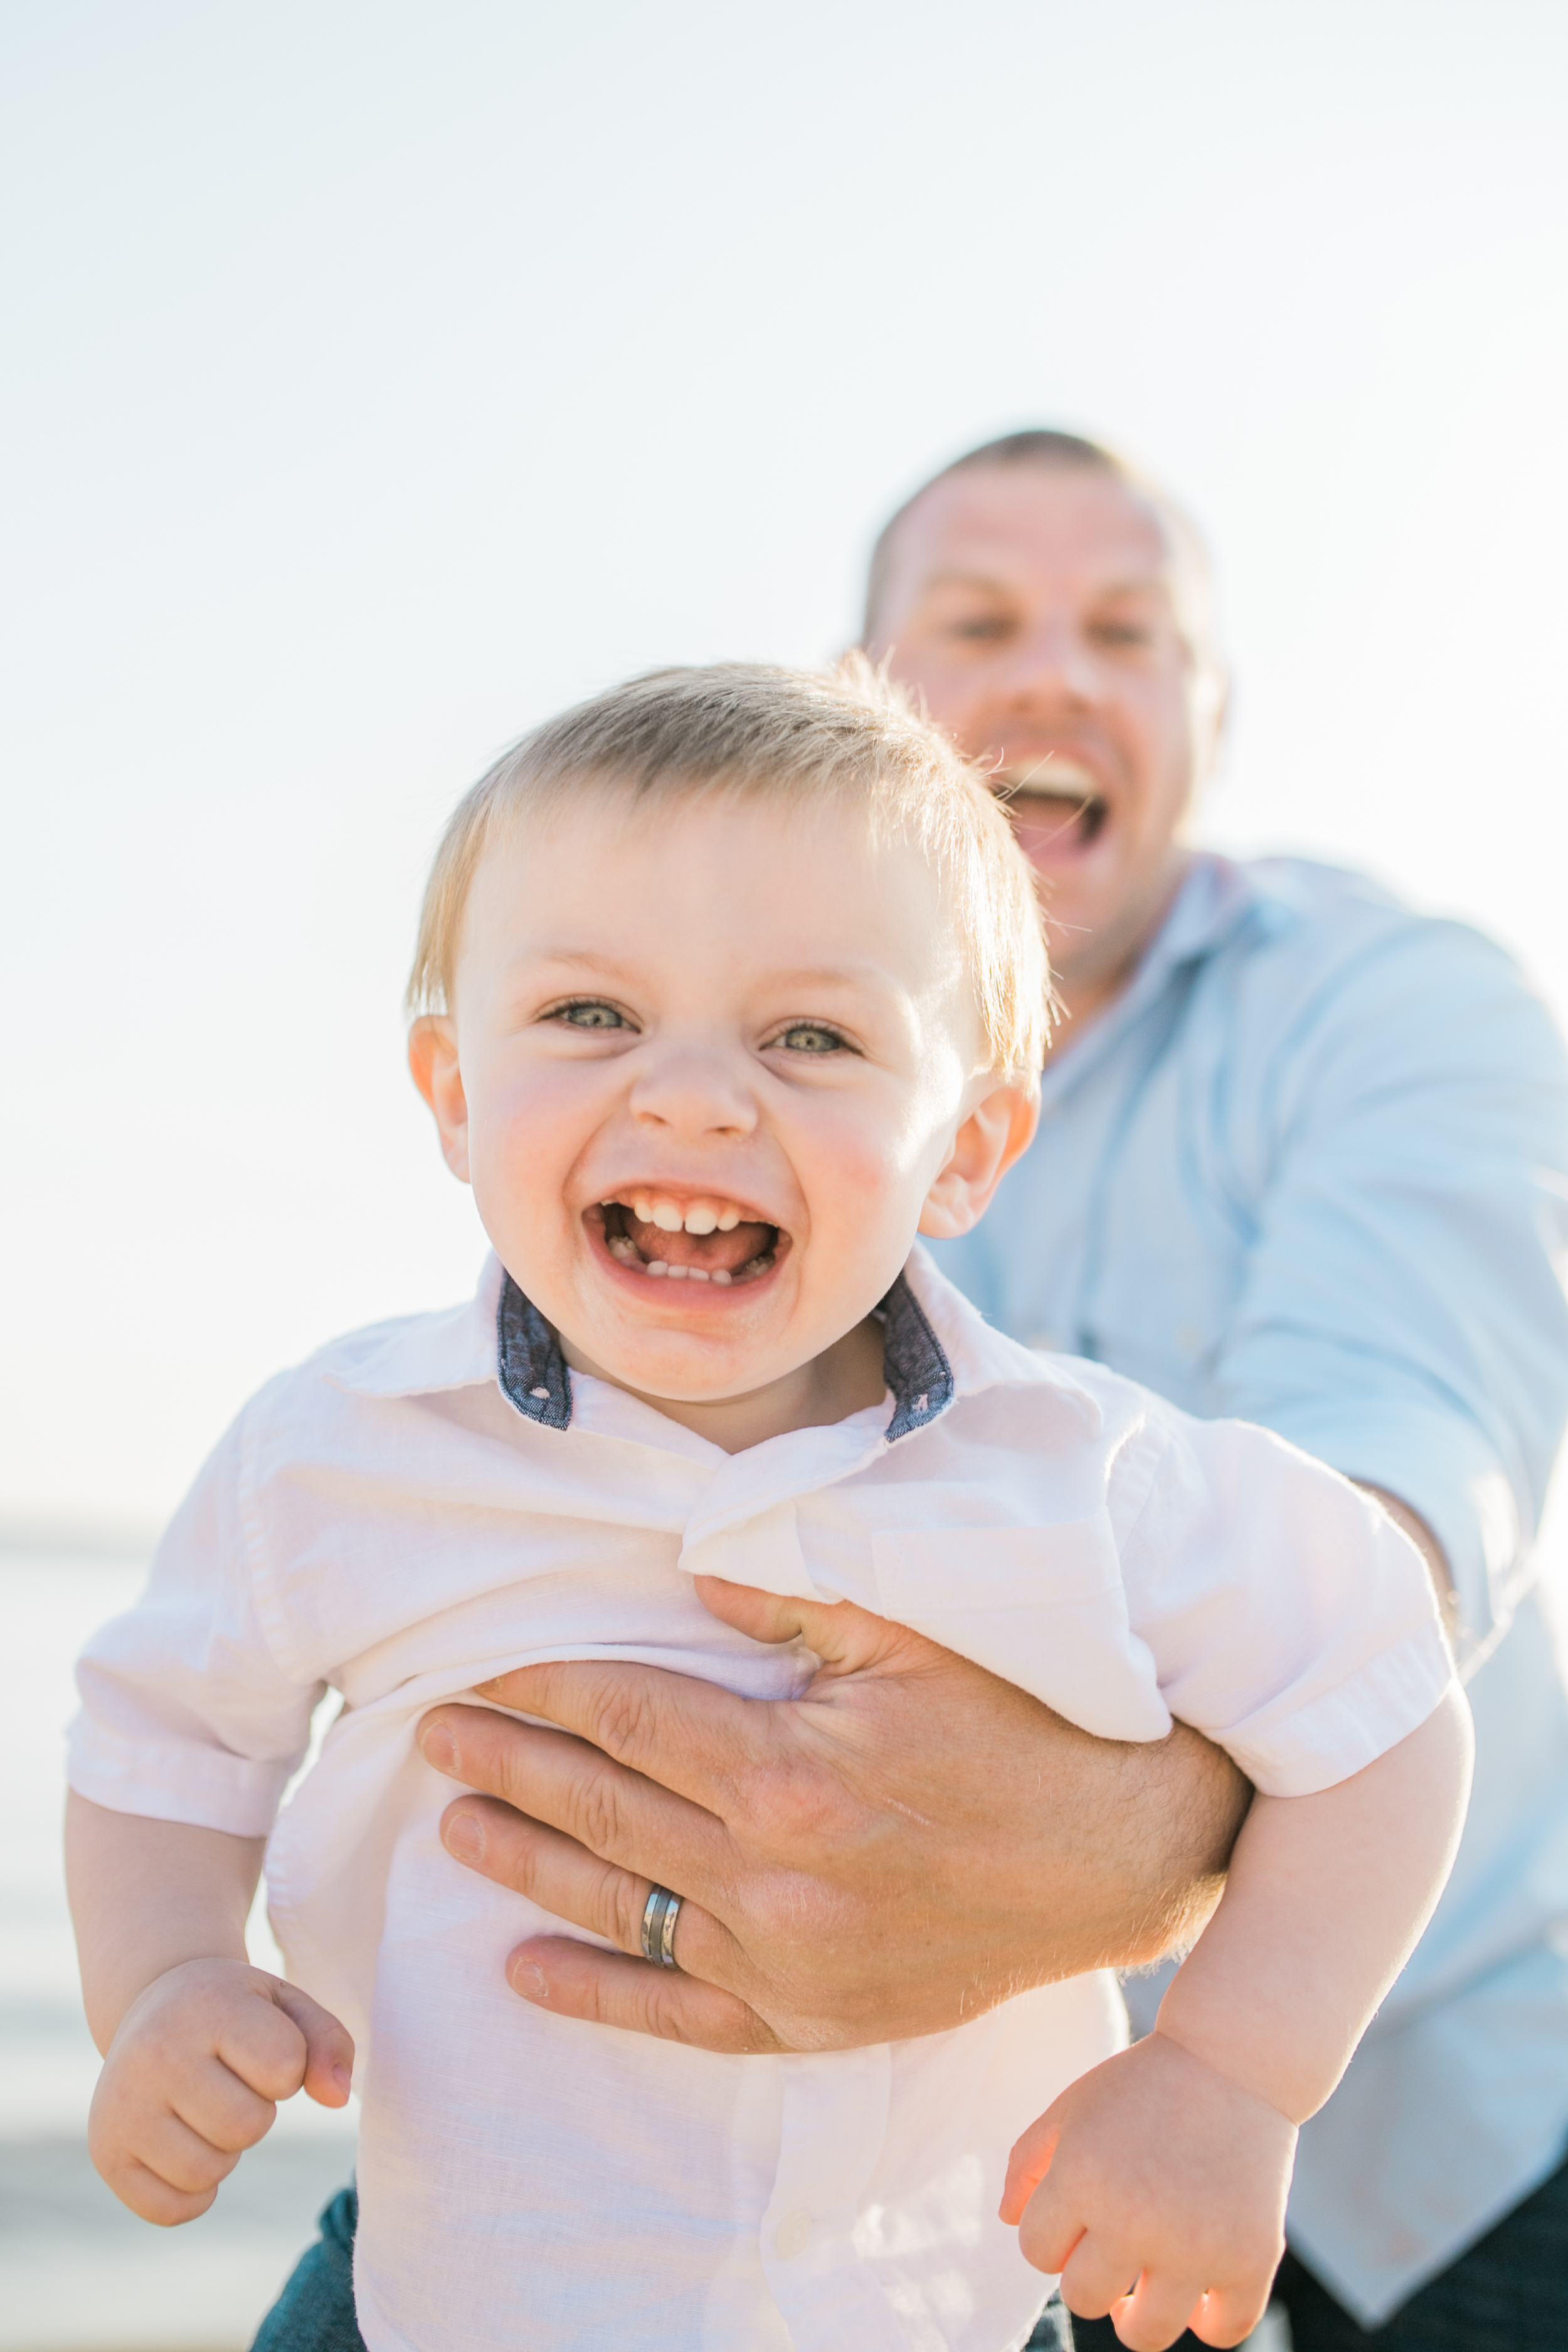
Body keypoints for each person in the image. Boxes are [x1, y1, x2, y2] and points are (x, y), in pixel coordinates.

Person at [248, 435, 1568, 2349]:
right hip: (873, 2104)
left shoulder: (1390, 1005)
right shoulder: (716, 1089)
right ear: (854, 697)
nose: (1053, 677)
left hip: (1449, 2101)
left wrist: (1131, 1875)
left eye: (1127, 633)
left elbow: (1398, 1503)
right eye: (977, 621)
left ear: (1203, 714)